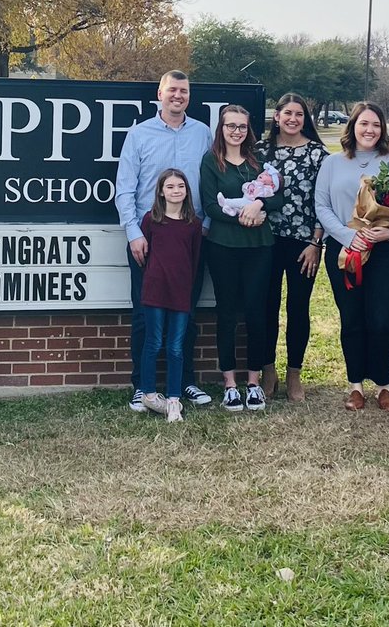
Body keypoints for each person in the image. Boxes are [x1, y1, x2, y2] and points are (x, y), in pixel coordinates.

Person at [114, 70, 214, 411]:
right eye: (172, 90)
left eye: (184, 91)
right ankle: (142, 387)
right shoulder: (139, 135)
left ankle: (184, 382)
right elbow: (125, 188)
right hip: (148, 239)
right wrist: (133, 233)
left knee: (187, 313)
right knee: (144, 315)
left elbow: (213, 184)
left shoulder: (203, 134)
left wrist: (207, 224)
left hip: (189, 239)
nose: (178, 96)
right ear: (160, 93)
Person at [315, 101, 389, 412]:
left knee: (382, 319)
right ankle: (355, 385)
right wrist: (350, 237)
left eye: (375, 124)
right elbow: (322, 207)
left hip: (386, 253)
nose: (369, 130)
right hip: (347, 251)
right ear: (352, 127)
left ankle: (383, 385)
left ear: (382, 129)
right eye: (363, 124)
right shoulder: (332, 163)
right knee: (352, 319)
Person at [200, 104, 283, 412]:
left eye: (242, 126)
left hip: (260, 247)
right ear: (220, 129)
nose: (236, 131)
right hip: (223, 247)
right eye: (230, 125)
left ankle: (253, 382)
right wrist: (243, 218)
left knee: (256, 313)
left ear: (249, 129)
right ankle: (230, 384)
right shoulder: (211, 162)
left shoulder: (259, 160)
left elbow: (279, 195)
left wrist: (259, 204)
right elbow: (210, 206)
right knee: (227, 313)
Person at [255, 93, 328, 402]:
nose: (293, 119)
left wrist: (316, 242)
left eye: (299, 114)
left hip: (304, 243)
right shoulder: (260, 151)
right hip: (266, 241)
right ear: (278, 116)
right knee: (267, 307)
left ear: (305, 119)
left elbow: (323, 202)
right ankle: (268, 370)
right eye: (287, 113)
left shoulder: (318, 154)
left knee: (298, 308)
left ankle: (295, 373)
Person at [138, 169, 203, 424]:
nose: (176, 191)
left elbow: (195, 260)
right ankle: (149, 394)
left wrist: (186, 286)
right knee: (153, 343)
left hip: (181, 293)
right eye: (170, 187)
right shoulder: (151, 221)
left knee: (176, 347)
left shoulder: (193, 225)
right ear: (161, 191)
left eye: (180, 186)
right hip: (155, 291)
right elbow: (145, 258)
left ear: (187, 191)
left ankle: (174, 399)